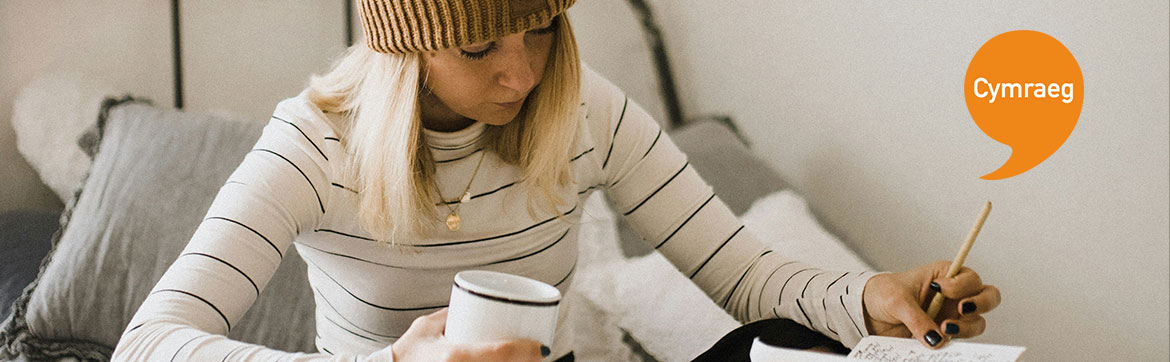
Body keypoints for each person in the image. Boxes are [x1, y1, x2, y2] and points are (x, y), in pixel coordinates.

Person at [111, 1, 1001, 361]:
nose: (523, 74)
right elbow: (148, 344)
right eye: (479, 46)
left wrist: (868, 296)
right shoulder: (315, 144)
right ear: (403, 48)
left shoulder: (585, 112)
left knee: (783, 343)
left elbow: (746, 274)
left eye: (539, 30)